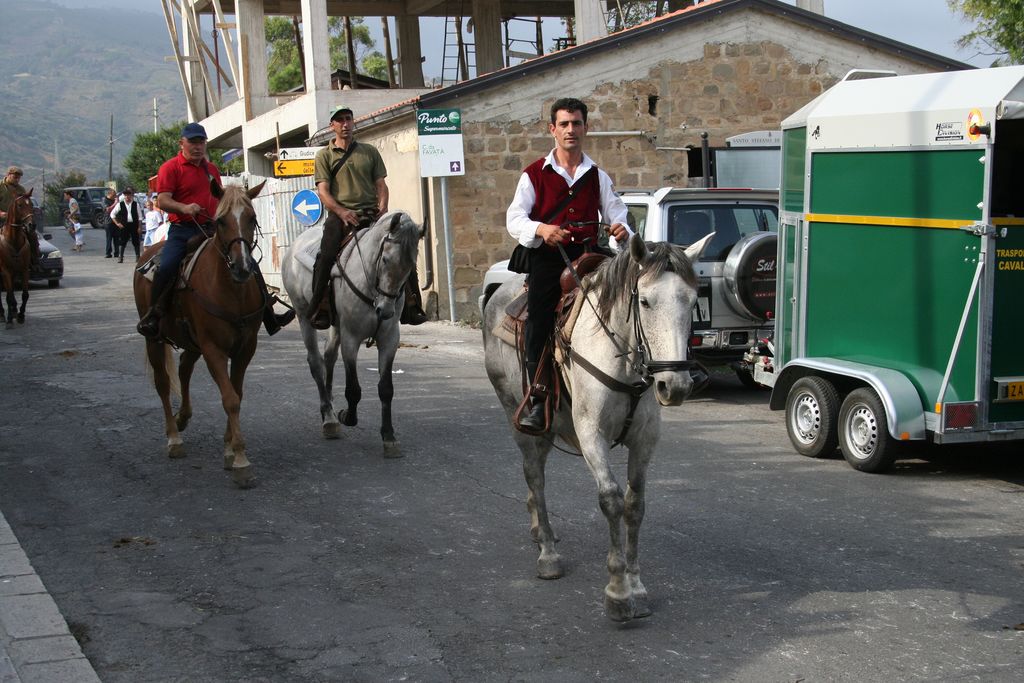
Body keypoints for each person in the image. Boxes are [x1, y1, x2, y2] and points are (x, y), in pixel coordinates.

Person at [506, 97, 632, 430]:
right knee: (539, 317)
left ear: (586, 128)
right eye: (564, 124)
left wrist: (621, 230)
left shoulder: (598, 176)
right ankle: (539, 396)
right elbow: (515, 218)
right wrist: (542, 229)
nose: (570, 129)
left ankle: (640, 374)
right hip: (549, 258)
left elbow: (618, 214)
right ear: (553, 129)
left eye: (576, 123)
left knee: (629, 299)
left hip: (590, 255)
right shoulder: (534, 174)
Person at [136, 122, 295, 339]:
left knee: (248, 262)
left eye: (201, 142)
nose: (197, 147)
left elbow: (221, 199)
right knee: (167, 266)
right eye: (193, 142)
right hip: (183, 229)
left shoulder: (211, 170)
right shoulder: (170, 168)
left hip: (212, 228)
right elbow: (163, 200)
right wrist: (184, 208)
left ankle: (268, 313)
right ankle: (154, 315)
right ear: (181, 143)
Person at [307, 105, 427, 330]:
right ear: (332, 125)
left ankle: (412, 305)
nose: (345, 124)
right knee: (326, 255)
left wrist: (383, 207)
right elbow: (323, 192)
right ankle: (319, 306)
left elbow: (381, 185)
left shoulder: (369, 151)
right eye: (340, 120)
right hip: (340, 217)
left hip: (371, 214)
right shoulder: (324, 155)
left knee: (402, 248)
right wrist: (342, 212)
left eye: (348, 119)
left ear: (353, 122)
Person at [0, 166, 41, 265]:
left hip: (17, 221)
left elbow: (25, 204)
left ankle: (35, 261)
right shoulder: (0, 186)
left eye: (19, 178)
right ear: (8, 175)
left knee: (32, 235)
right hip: (2, 219)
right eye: (15, 177)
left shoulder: (21, 189)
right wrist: (0, 213)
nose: (17, 180)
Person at [109, 186, 141, 262]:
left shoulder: (136, 204)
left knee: (136, 241)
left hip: (134, 225)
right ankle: (120, 257)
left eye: (128, 195)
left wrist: (139, 227)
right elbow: (112, 214)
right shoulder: (120, 204)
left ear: (131, 196)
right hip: (124, 225)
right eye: (125, 195)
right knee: (122, 241)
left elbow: (140, 217)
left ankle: (138, 257)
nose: (127, 197)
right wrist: (117, 223)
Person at [102, 187, 118, 258]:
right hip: (108, 221)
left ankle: (117, 252)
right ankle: (108, 253)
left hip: (116, 221)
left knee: (116, 238)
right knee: (109, 238)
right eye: (114, 195)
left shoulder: (115, 200)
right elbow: (108, 209)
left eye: (115, 195)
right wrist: (115, 203)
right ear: (110, 194)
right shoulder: (105, 200)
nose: (115, 197)